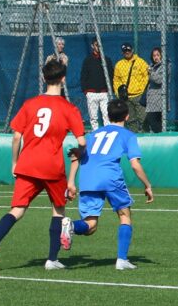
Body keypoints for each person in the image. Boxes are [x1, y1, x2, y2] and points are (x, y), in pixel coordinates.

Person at [0, 60, 86, 272]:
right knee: (58, 210)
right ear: (64, 79)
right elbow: (82, 142)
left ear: (43, 78)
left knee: (17, 210)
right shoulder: (69, 108)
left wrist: (15, 162)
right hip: (52, 166)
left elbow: (16, 136)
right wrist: (79, 157)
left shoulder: (30, 104)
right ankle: (52, 259)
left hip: (27, 163)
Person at [62, 99, 154, 270]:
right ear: (127, 116)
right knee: (125, 216)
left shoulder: (93, 134)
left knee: (90, 226)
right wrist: (147, 185)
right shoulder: (128, 135)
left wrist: (71, 182)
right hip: (110, 178)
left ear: (108, 115)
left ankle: (71, 225)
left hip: (88, 178)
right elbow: (135, 164)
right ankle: (122, 260)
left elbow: (76, 156)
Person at [113, 43, 148, 133]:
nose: (127, 52)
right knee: (130, 119)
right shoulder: (119, 65)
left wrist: (142, 89)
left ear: (132, 50)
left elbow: (146, 77)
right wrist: (118, 92)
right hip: (126, 97)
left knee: (143, 118)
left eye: (128, 50)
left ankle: (145, 135)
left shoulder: (140, 62)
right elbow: (116, 80)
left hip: (139, 95)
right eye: (125, 51)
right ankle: (134, 135)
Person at [81, 38, 114, 130]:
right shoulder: (88, 60)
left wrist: (110, 90)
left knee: (106, 115)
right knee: (93, 117)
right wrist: (86, 91)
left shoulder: (106, 59)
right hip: (91, 93)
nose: (98, 47)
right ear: (92, 46)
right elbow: (83, 75)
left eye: (99, 45)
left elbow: (111, 75)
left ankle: (107, 132)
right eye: (96, 44)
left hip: (104, 92)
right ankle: (95, 133)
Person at [143, 47, 166, 133]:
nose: (156, 57)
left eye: (158, 55)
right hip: (151, 99)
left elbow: (159, 80)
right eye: (154, 56)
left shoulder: (163, 66)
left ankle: (160, 137)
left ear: (161, 56)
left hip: (158, 99)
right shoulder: (152, 66)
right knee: (151, 122)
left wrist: (151, 72)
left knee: (155, 122)